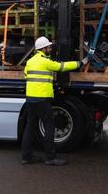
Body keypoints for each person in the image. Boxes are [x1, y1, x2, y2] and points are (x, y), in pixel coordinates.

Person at [21, 36, 89, 166]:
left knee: (30, 127)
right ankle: (50, 157)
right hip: (42, 99)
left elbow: (25, 75)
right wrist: (80, 63)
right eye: (49, 47)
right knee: (50, 126)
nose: (50, 49)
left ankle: (26, 156)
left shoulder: (30, 62)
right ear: (43, 48)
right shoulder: (45, 62)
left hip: (30, 99)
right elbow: (62, 66)